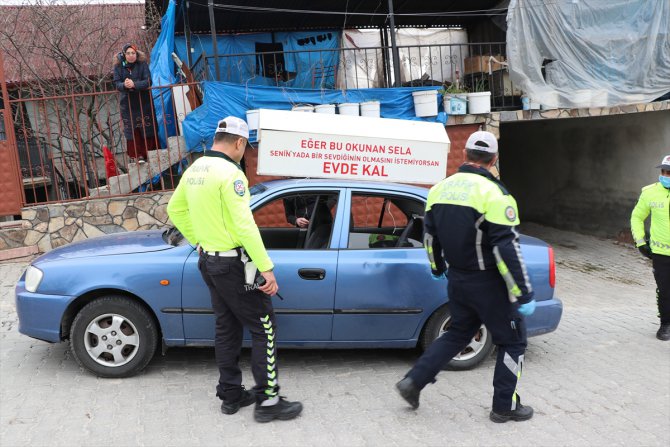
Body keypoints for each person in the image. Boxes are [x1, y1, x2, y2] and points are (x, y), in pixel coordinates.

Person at [166, 116, 303, 422]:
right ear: (240, 143)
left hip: (210, 263)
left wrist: (199, 239)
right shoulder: (231, 174)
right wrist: (266, 268)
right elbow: (245, 225)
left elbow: (174, 209)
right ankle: (268, 402)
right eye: (247, 146)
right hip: (233, 266)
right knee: (264, 328)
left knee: (226, 327)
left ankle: (230, 395)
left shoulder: (195, 169)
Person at [395, 130, 536, 423]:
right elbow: (506, 249)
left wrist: (437, 268)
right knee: (513, 341)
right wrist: (523, 292)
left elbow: (430, 238)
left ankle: (414, 381)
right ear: (494, 159)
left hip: (457, 279)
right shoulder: (495, 194)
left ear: (465, 155)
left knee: (459, 332)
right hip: (489, 284)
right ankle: (504, 407)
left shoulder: (438, 189)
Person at [631, 154, 670, 341]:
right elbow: (637, 217)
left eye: (669, 172)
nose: (666, 175)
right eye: (664, 172)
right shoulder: (649, 192)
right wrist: (641, 242)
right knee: (664, 291)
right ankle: (665, 325)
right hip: (661, 253)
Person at [113, 43, 157, 164]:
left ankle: (149, 153)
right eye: (128, 53)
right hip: (127, 104)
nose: (131, 55)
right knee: (132, 130)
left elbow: (148, 81)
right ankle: (137, 156)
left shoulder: (142, 64)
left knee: (146, 127)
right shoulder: (118, 67)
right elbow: (117, 84)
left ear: (136, 54)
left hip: (143, 102)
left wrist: (134, 84)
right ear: (124, 54)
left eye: (133, 53)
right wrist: (124, 85)